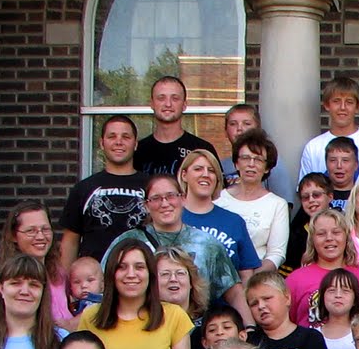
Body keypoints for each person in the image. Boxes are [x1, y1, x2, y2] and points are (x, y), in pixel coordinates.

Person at [104, 173, 249, 319]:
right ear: (146, 205)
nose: (165, 203)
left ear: (183, 198)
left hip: (195, 331)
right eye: (156, 198)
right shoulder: (128, 242)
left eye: (171, 196)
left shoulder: (207, 244)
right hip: (142, 328)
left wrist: (249, 327)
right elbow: (102, 286)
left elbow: (233, 291)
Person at [59, 115, 145, 264]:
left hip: (138, 277)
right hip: (94, 280)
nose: (119, 142)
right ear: (102, 143)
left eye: (126, 137)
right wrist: (66, 285)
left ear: (135, 144)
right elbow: (70, 242)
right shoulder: (83, 188)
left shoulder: (151, 186)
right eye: (112, 136)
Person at [297, 75, 359, 190]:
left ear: (357, 107)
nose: (342, 107)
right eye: (336, 101)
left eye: (349, 102)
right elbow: (305, 192)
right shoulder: (313, 147)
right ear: (326, 105)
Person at [179, 147, 262, 281]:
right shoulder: (173, 218)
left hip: (227, 300)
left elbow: (246, 273)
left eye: (211, 171)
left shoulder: (234, 221)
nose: (205, 174)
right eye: (198, 169)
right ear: (184, 175)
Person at [218, 129, 290, 270]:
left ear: (267, 167)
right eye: (245, 158)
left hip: (258, 279)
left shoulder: (277, 205)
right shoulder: (219, 199)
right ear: (236, 163)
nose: (251, 164)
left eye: (258, 159)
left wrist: (251, 281)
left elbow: (276, 253)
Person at [0, 200, 73, 328]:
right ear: (14, 236)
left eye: (45, 229)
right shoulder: (6, 279)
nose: (41, 236)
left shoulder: (59, 272)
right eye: (31, 231)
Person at [134, 75, 215, 177]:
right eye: (161, 98)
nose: (168, 104)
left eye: (175, 98)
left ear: (184, 105)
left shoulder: (202, 149)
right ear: (152, 104)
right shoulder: (138, 151)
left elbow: (218, 189)